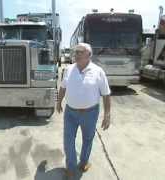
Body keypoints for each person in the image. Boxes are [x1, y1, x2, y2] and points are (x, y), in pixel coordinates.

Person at [57, 43, 111, 178]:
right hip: (70, 112)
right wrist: (59, 102)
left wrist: (107, 114)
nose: (76, 54)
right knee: (68, 139)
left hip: (90, 113)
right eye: (76, 51)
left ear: (89, 55)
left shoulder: (98, 71)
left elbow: (106, 94)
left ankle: (84, 162)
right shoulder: (69, 69)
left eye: (80, 51)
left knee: (88, 139)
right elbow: (63, 87)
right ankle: (71, 167)